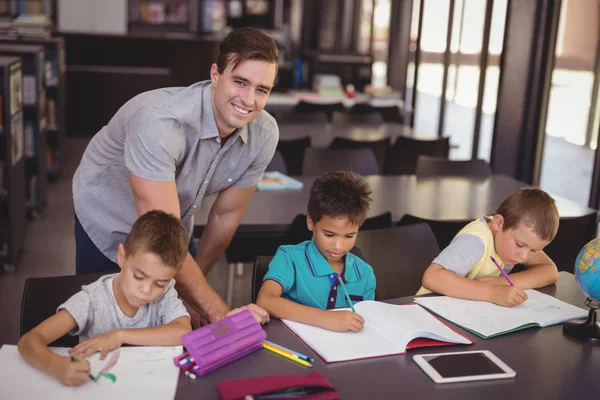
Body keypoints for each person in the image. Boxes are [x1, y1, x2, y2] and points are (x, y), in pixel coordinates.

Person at [72, 27, 279, 325]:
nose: (249, 100)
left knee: (176, 317)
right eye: (240, 82)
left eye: (262, 89)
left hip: (174, 220)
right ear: (216, 75)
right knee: (105, 322)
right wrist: (220, 313)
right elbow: (158, 232)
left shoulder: (264, 133)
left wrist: (191, 294)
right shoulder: (159, 122)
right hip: (107, 215)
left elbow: (225, 216)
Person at [18, 210, 192, 386]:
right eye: (139, 276)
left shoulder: (165, 294)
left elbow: (183, 332)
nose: (146, 291)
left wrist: (120, 336)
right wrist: (57, 366)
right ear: (122, 257)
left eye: (159, 284)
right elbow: (29, 342)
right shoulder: (92, 300)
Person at [257, 171, 377, 332]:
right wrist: (326, 318)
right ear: (310, 222)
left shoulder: (365, 274)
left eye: (349, 235)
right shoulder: (289, 258)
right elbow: (265, 300)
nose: (338, 246)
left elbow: (369, 324)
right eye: (329, 234)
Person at [418, 187, 560, 307]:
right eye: (520, 245)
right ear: (499, 223)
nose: (524, 256)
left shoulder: (515, 240)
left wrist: (502, 283)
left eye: (533, 250)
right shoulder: (476, 242)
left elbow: (549, 271)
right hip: (429, 309)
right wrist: (492, 292)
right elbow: (432, 277)